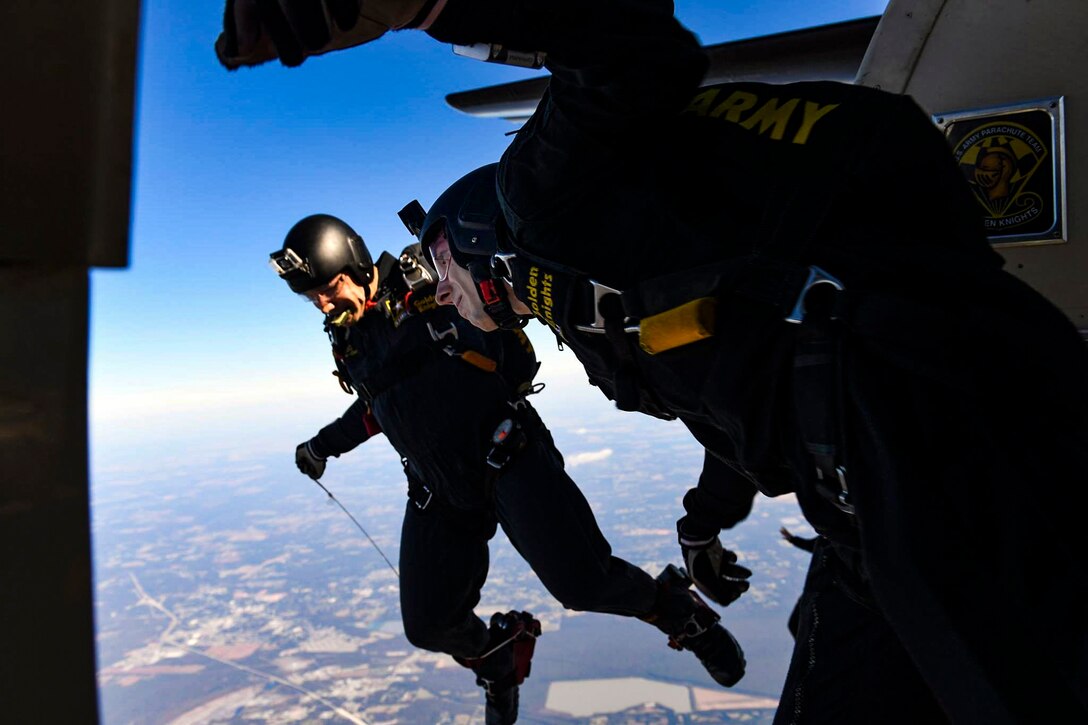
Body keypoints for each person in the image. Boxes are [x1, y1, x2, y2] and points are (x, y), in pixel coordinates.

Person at [219, 2, 1088, 723]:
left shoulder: (535, 202)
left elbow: (631, 47)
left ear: (474, 241)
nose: (435, 290)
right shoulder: (606, 310)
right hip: (858, 486)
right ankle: (506, 652)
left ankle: (674, 613)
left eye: (438, 267)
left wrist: (425, 4)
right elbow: (731, 400)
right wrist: (706, 518)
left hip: (929, 421)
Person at [269, 212, 749, 724]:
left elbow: (510, 342)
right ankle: (500, 659)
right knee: (429, 625)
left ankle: (680, 613)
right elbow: (379, 407)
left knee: (583, 584)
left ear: (357, 265)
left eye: (328, 286)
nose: (323, 302)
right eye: (311, 296)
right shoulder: (352, 339)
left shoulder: (428, 287)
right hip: (439, 486)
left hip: (508, 455)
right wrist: (323, 446)